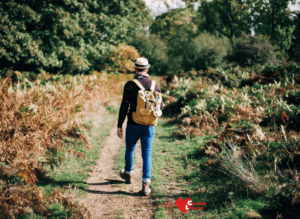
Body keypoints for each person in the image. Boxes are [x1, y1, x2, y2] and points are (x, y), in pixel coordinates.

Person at [117, 57, 163, 196]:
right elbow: (160, 107)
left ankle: (128, 174)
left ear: (135, 69)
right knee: (147, 154)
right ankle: (145, 185)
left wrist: (119, 125)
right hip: (149, 126)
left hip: (132, 123)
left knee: (130, 148)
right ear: (147, 69)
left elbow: (124, 106)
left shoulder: (130, 85)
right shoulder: (155, 85)